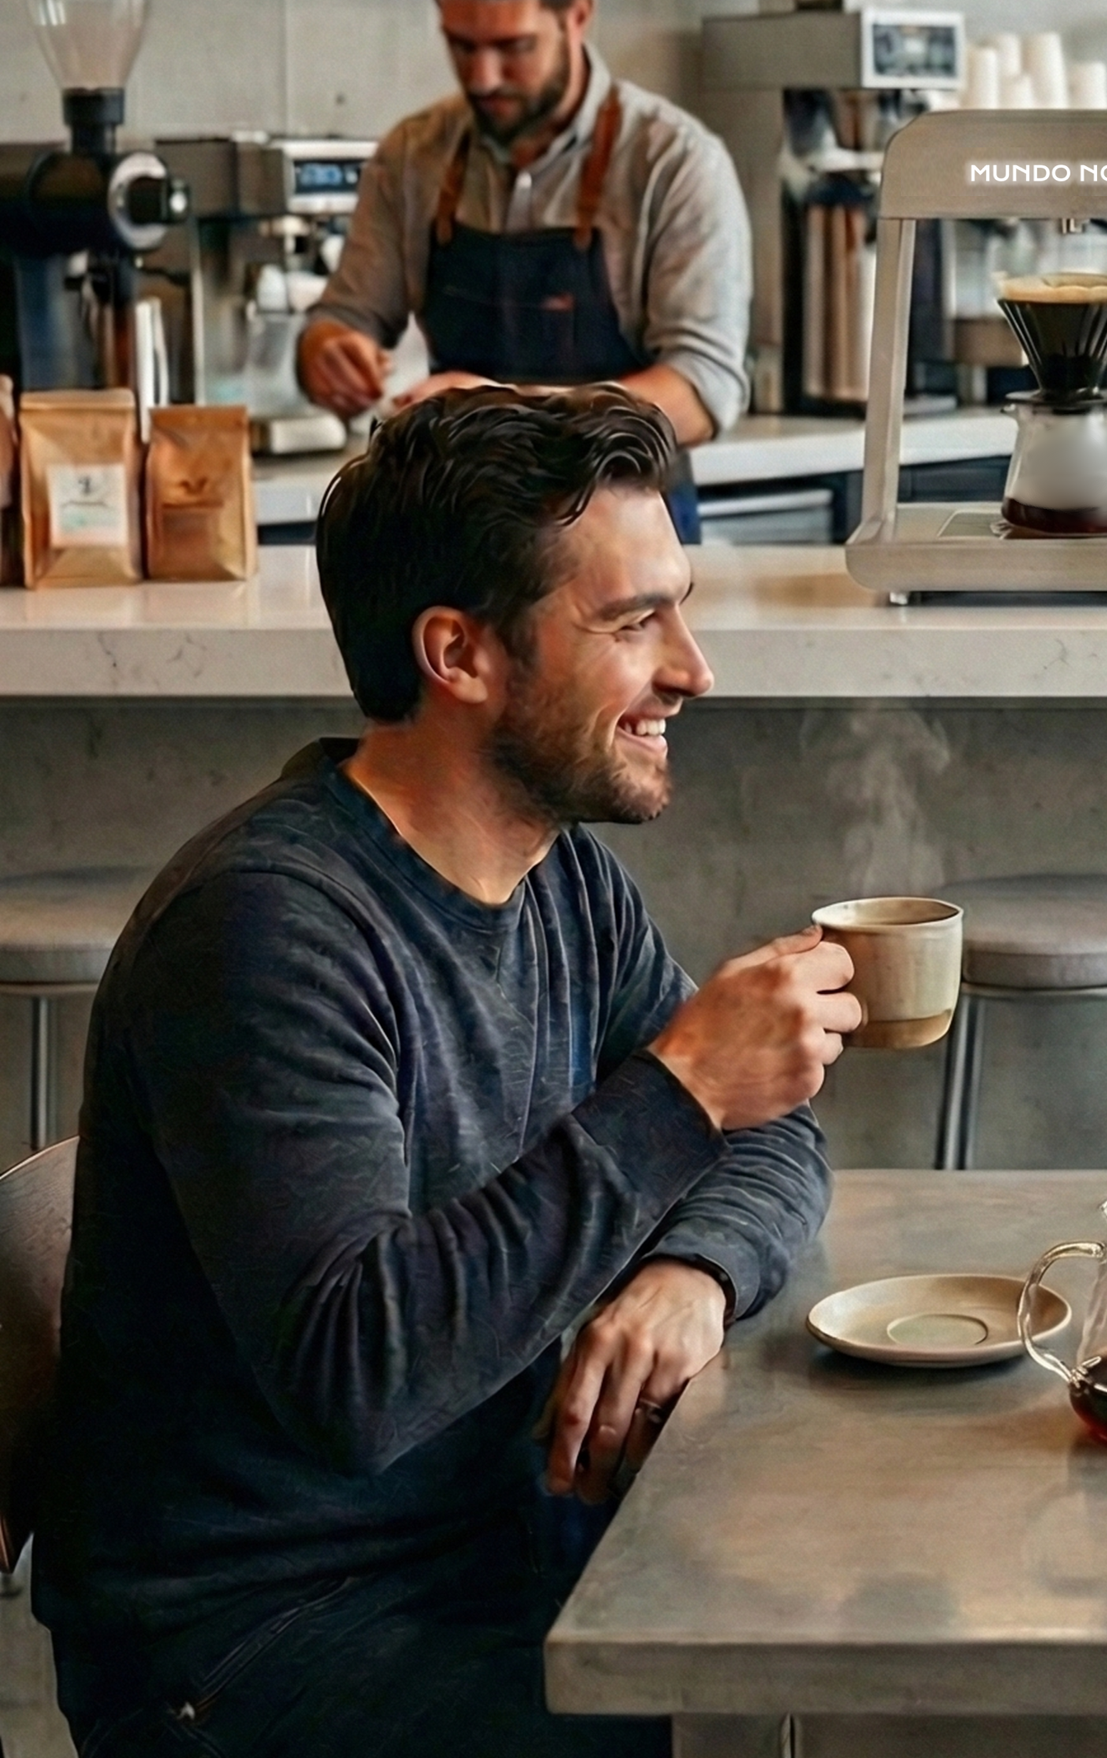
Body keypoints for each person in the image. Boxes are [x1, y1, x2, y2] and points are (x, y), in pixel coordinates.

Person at [36, 388, 855, 1755]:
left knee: (837, 1628)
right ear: (458, 654)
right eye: (631, 622)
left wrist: (686, 1275)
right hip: (260, 1640)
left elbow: (769, 1137)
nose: (694, 669)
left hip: (491, 1537)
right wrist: (680, 1093)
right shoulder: (267, 932)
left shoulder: (561, 879)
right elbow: (363, 1377)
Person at [296, 0, 753, 542]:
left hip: (626, 533)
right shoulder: (412, 156)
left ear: (579, 15)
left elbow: (701, 390)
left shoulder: (673, 162)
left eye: (512, 48)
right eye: (461, 45)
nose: (482, 77)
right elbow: (341, 318)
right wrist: (329, 350)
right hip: (459, 533)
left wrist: (510, 410)